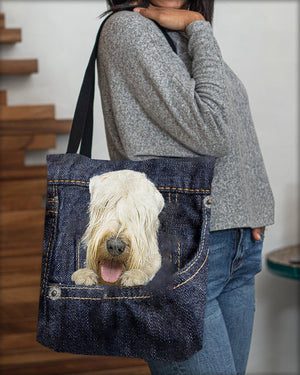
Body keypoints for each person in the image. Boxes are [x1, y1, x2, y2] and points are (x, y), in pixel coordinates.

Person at [97, 1, 275, 374]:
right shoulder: (129, 30)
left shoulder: (176, 31)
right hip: (182, 254)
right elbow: (213, 130)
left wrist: (249, 209)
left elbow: (234, 122)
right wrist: (199, 26)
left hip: (235, 250)